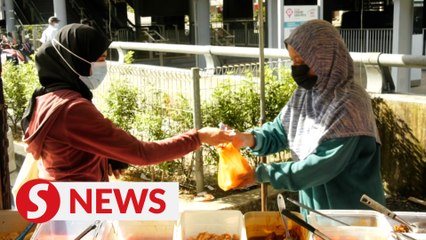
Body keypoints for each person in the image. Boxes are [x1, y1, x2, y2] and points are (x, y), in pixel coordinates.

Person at [20, 23, 232, 182]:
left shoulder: (48, 97)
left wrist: (107, 156)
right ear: (74, 60)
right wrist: (198, 137)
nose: (104, 66)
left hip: (64, 202)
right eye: (100, 59)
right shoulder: (72, 109)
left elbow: (70, 147)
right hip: (79, 210)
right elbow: (142, 154)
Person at [229, 19, 386, 215]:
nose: (297, 68)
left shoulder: (351, 104)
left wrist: (262, 174)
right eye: (294, 61)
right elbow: (280, 130)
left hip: (352, 214)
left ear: (326, 59)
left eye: (303, 62)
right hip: (316, 211)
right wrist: (247, 138)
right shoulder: (307, 93)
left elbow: (320, 167)